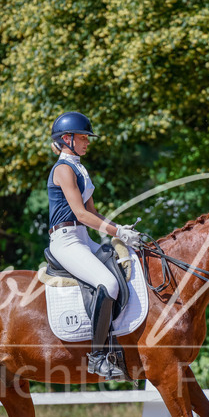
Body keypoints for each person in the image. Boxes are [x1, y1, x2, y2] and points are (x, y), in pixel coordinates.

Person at [46, 111, 142, 381]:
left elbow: (93, 213)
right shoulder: (64, 169)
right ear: (67, 139)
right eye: (83, 137)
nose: (88, 142)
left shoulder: (79, 168)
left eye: (87, 137)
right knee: (108, 284)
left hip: (81, 238)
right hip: (65, 241)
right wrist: (117, 231)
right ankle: (97, 357)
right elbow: (80, 214)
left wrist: (120, 230)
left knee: (124, 268)